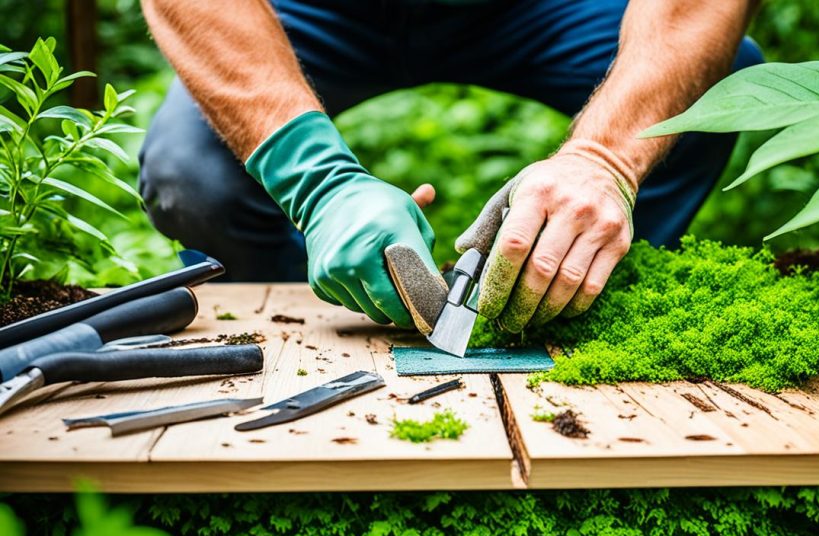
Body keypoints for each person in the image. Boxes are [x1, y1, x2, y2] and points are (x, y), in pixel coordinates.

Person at [139, 0, 762, 332]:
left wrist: (604, 161)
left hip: (531, 9)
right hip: (310, 8)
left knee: (716, 91)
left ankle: (585, 297)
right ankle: (284, 329)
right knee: (192, 173)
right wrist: (320, 184)